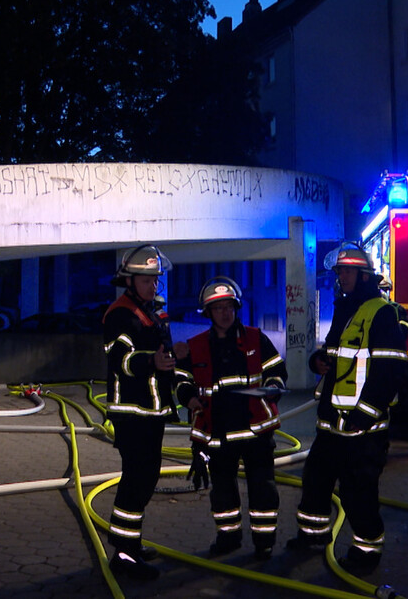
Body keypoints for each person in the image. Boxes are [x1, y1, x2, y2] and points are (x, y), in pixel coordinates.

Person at [285, 242, 408, 576]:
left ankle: (367, 551)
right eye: (340, 271)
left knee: (358, 493)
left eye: (348, 270)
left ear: (363, 274)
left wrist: (363, 415)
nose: (342, 276)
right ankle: (312, 535)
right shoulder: (345, 308)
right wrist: (317, 360)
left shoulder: (380, 311)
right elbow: (337, 354)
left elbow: (392, 371)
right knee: (315, 481)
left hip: (362, 429)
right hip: (332, 424)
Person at [174, 276, 287, 560]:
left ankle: (264, 543)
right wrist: (188, 396)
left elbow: (277, 371)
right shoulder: (196, 346)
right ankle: (228, 538)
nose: (225, 313)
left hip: (256, 433)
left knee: (263, 491)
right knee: (222, 493)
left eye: (229, 307)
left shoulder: (256, 338)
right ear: (208, 313)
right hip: (217, 433)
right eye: (218, 308)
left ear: (236, 308)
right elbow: (181, 380)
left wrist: (273, 387)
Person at [102, 244, 178, 580]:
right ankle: (123, 555)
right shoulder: (120, 314)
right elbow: (121, 361)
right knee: (136, 482)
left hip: (152, 411)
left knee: (144, 480)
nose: (152, 285)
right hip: (132, 413)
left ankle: (129, 544)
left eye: (155, 279)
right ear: (129, 280)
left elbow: (165, 353)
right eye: (146, 280)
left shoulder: (152, 312)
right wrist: (151, 361)